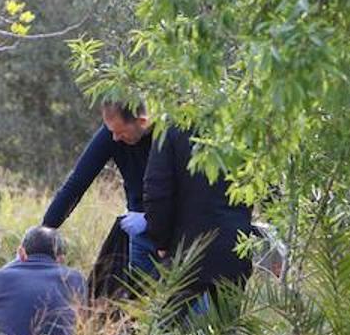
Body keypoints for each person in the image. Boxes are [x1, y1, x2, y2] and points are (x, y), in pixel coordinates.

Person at [143, 126, 254, 310]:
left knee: (159, 327)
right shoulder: (240, 120)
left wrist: (161, 241)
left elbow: (156, 193)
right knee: (226, 331)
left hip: (186, 249)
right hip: (234, 245)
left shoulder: (172, 127)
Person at [42, 101, 156, 275]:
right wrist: (44, 231)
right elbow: (77, 182)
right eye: (112, 132)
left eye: (121, 132)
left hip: (175, 224)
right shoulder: (111, 135)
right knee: (144, 290)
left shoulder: (168, 134)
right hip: (138, 226)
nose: (115, 138)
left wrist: (152, 218)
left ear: (141, 122)